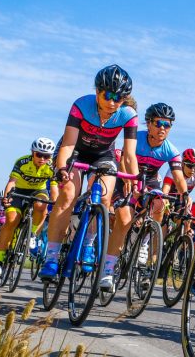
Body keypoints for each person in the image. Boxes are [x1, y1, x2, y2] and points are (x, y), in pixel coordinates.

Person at [41, 65, 139, 280]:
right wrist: (62, 169)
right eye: (109, 95)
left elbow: (129, 155)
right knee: (67, 196)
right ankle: (51, 256)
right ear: (98, 91)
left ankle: (88, 244)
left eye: (120, 98)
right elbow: (67, 144)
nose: (113, 102)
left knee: (104, 198)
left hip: (103, 155)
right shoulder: (81, 105)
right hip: (75, 151)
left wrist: (137, 180)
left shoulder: (128, 114)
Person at [104, 102, 187, 290]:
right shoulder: (136, 138)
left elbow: (179, 176)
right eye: (159, 123)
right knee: (124, 221)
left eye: (168, 125)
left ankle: (144, 243)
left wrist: (185, 194)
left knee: (160, 203)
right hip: (126, 177)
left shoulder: (171, 150)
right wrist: (131, 184)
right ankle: (107, 270)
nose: (163, 129)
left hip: (149, 181)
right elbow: (125, 160)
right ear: (148, 123)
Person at [0, 138, 55, 276]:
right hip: (19, 192)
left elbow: (54, 187)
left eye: (47, 156)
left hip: (39, 192)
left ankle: (31, 235)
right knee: (11, 221)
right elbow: (12, 182)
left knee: (42, 205)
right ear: (33, 152)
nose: (42, 159)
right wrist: (7, 196)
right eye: (39, 154)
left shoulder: (51, 166)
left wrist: (55, 204)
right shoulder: (22, 162)